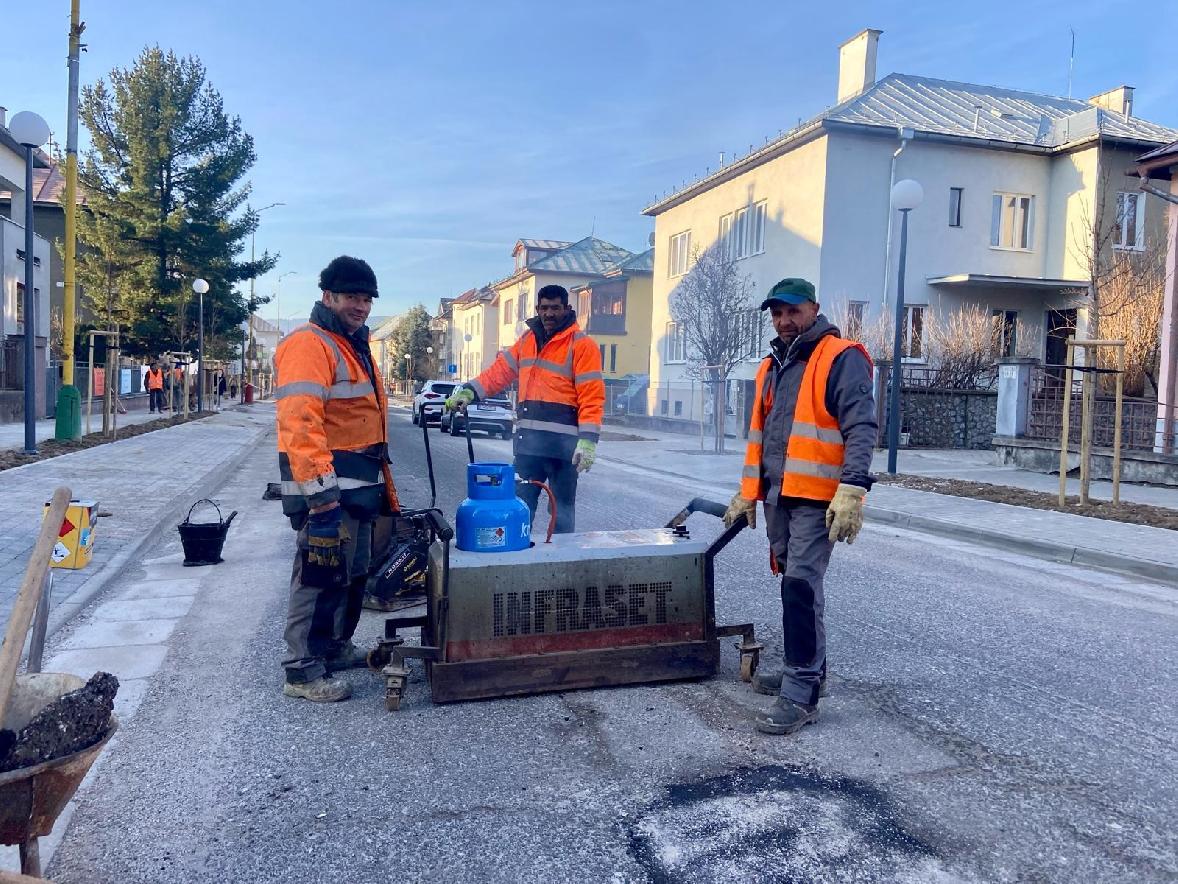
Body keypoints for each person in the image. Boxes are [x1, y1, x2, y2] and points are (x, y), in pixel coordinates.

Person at [722, 278, 877, 736]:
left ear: (813, 308)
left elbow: (862, 426)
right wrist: (747, 492)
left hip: (817, 498)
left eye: (792, 311)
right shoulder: (772, 367)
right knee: (799, 588)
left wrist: (853, 489)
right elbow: (762, 437)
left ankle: (801, 693)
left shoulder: (841, 357)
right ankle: (809, 673)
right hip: (779, 497)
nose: (784, 320)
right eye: (777, 313)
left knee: (800, 589)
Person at [273, 255, 399, 703]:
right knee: (317, 574)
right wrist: (321, 498)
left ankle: (333, 647)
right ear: (328, 296)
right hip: (328, 488)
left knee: (352, 572)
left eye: (366, 299)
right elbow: (300, 423)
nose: (361, 306)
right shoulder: (311, 344)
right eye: (352, 297)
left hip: (359, 485)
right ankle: (302, 671)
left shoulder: (352, 343)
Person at [445, 284, 603, 534]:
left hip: (564, 451)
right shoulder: (527, 341)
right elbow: (498, 374)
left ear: (566, 309)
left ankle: (561, 561)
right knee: (520, 507)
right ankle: (519, 558)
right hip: (529, 447)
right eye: (544, 308)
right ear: (538, 309)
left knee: (561, 512)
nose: (549, 314)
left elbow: (591, 396)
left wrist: (588, 441)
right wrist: (469, 391)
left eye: (555, 308)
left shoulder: (582, 346)